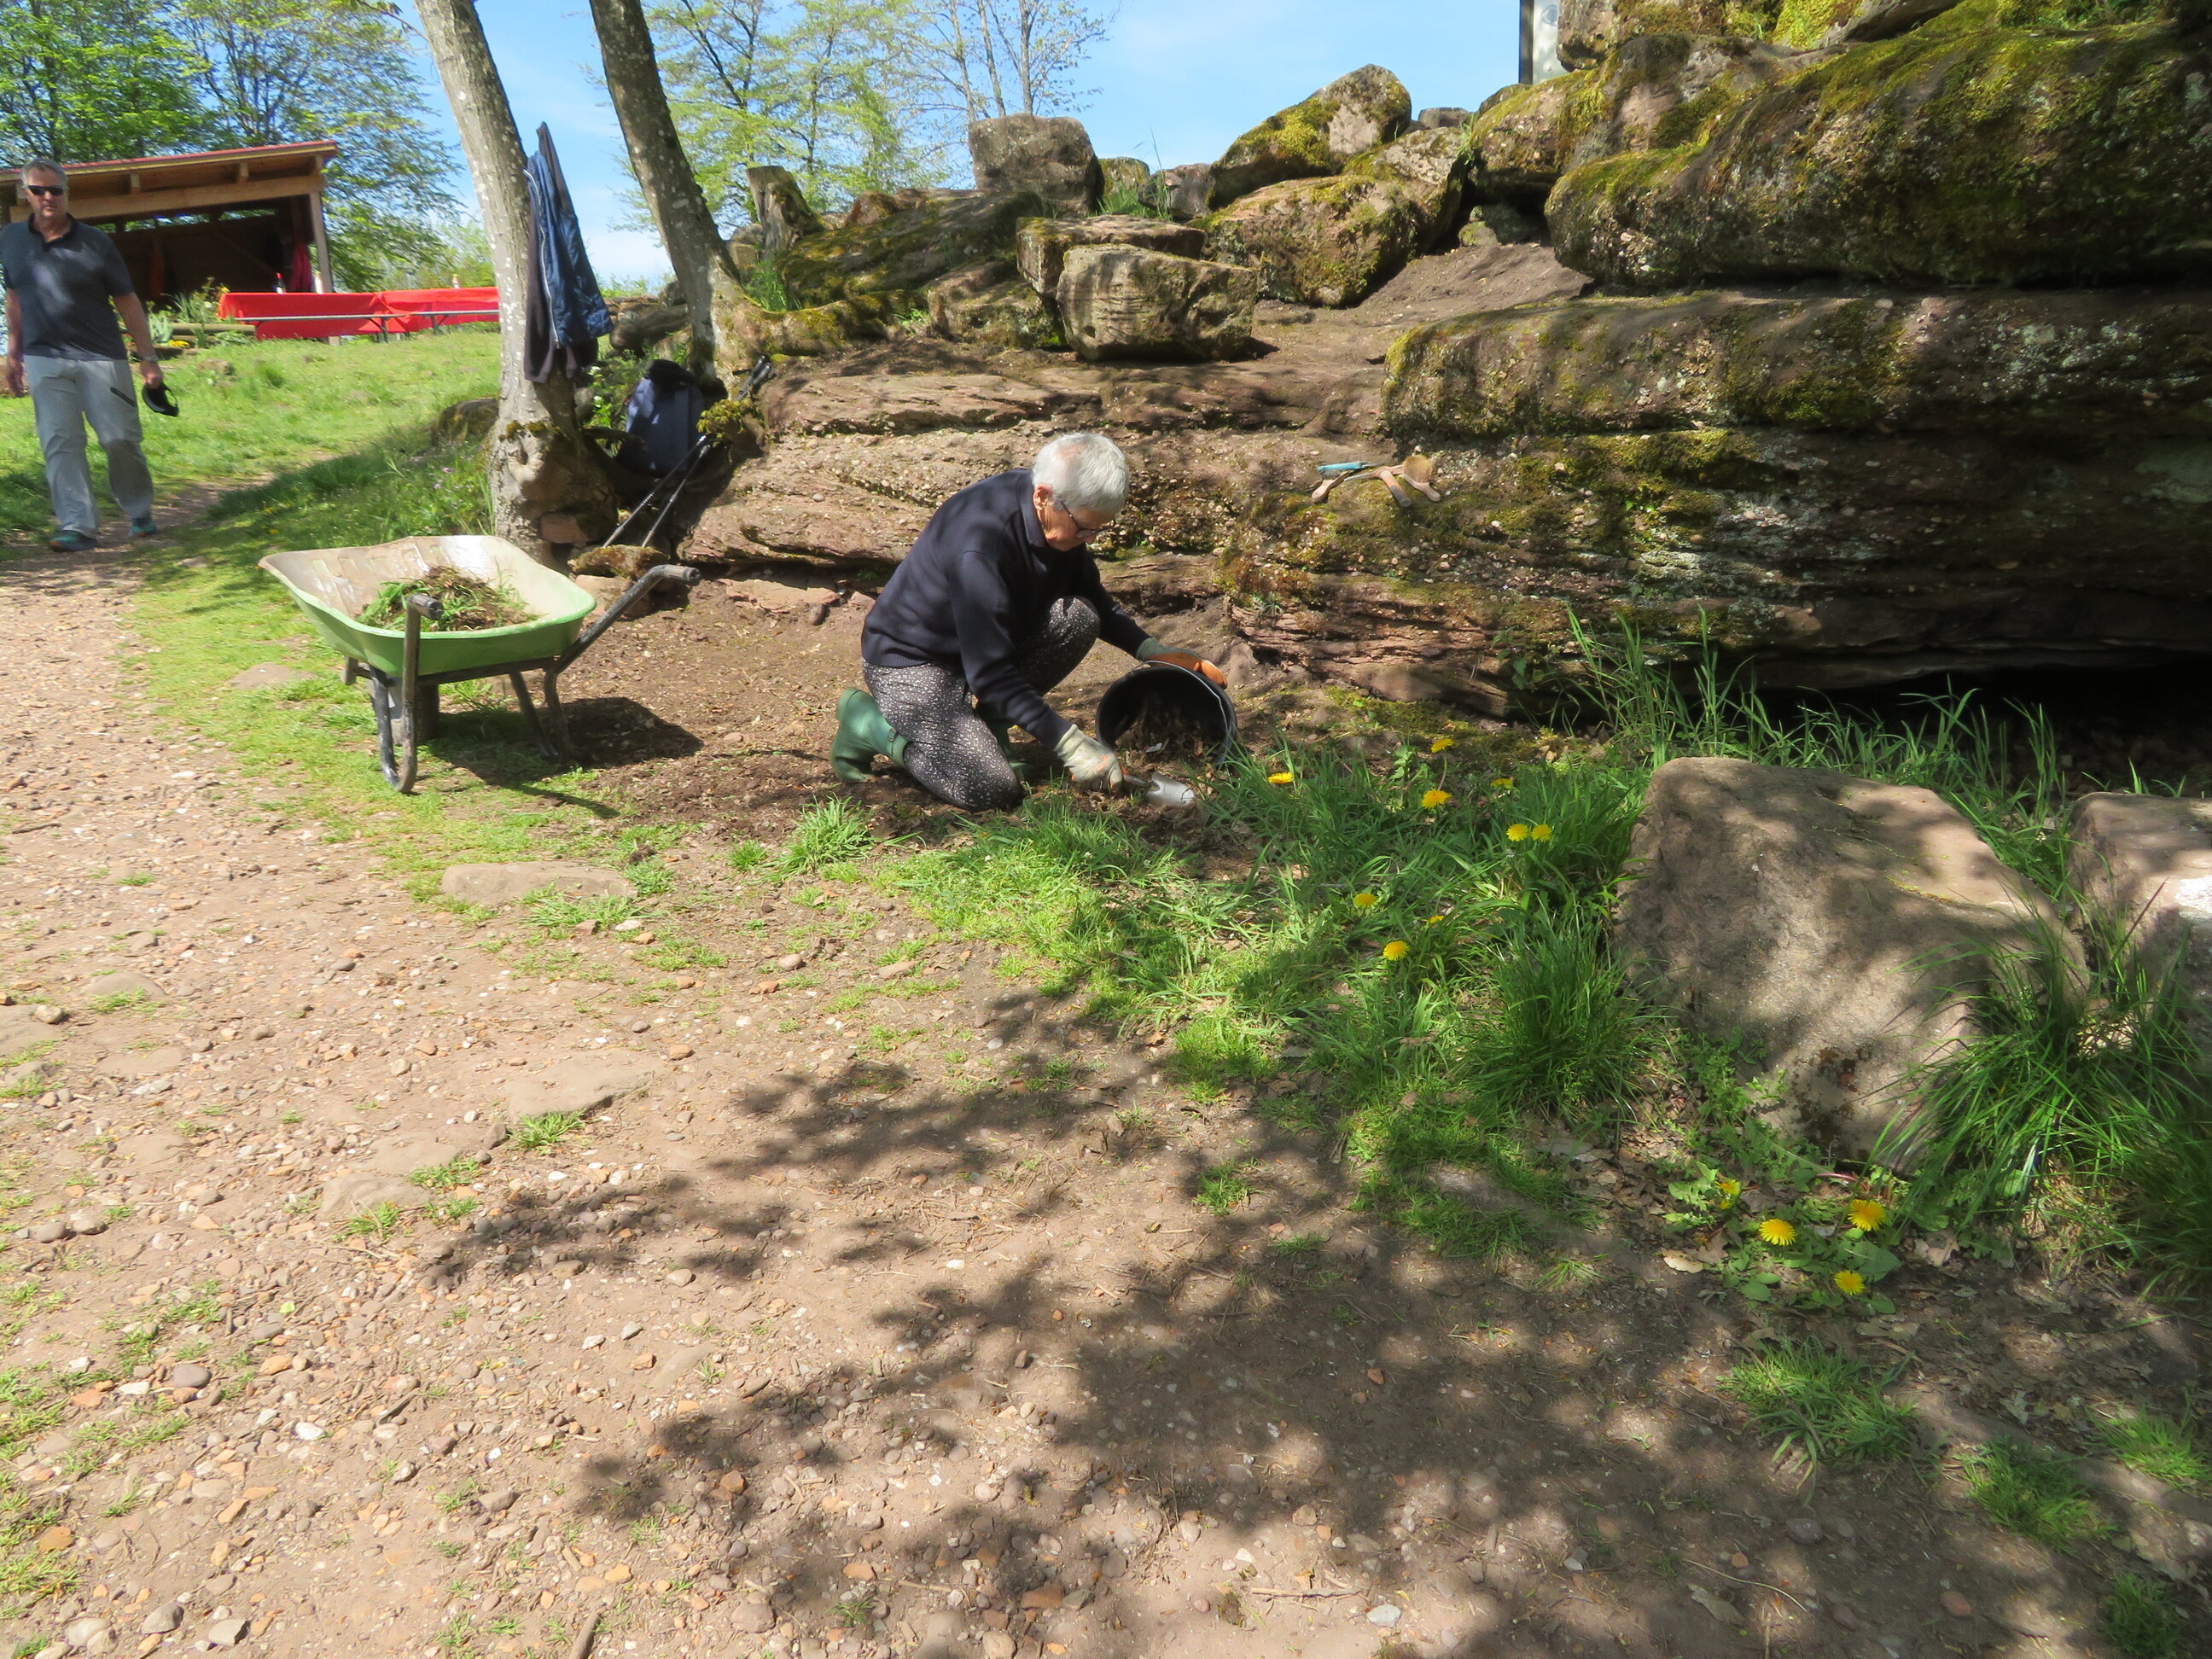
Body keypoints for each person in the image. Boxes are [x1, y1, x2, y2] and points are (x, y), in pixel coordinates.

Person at [832, 432, 1223, 811]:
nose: (1090, 538)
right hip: (914, 663)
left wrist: (1151, 650)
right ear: (1043, 496)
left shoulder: (1058, 518)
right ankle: (871, 725)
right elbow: (990, 674)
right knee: (990, 789)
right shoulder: (980, 547)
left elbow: (1091, 596)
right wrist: (1070, 744)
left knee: (1079, 616)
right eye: (1084, 528)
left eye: (1098, 529)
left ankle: (989, 731)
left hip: (983, 646)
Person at [1, 158, 167, 552]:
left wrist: (147, 358)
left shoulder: (95, 242)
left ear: (66, 193)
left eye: (55, 190)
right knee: (60, 440)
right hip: (44, 355)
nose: (48, 197)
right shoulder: (10, 239)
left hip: (101, 355)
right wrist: (13, 354)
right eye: (38, 190)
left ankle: (138, 511)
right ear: (25, 194)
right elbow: (14, 297)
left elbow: (127, 300)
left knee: (119, 438)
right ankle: (77, 525)